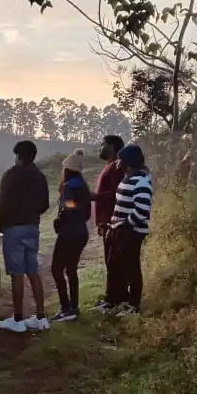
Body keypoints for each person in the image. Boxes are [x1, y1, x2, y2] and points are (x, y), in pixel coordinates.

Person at [0, 140, 51, 333]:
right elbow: (44, 204)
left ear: (18, 156)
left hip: (14, 228)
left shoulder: (11, 175)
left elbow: (2, 202)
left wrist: (2, 226)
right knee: (32, 271)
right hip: (32, 227)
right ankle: (41, 318)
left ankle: (18, 319)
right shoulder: (40, 176)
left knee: (17, 274)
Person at [107, 144, 153, 317]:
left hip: (131, 233)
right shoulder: (128, 178)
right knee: (117, 267)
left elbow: (142, 210)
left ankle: (133, 305)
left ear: (127, 162)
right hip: (120, 231)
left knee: (131, 268)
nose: (117, 162)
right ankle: (118, 301)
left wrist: (123, 226)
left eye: (120, 159)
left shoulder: (141, 181)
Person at [49, 148, 92, 323]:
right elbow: (86, 213)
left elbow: (69, 207)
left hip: (69, 234)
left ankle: (66, 308)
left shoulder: (68, 187)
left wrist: (62, 217)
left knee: (56, 269)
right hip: (81, 232)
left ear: (67, 170)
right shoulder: (83, 185)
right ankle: (73, 308)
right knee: (71, 270)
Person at [90, 135, 127, 313]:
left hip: (113, 223)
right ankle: (114, 298)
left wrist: (94, 196)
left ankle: (113, 299)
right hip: (108, 222)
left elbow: (115, 193)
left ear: (111, 147)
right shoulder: (111, 166)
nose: (100, 148)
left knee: (114, 262)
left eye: (102, 145)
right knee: (112, 261)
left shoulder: (116, 167)